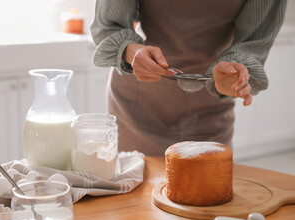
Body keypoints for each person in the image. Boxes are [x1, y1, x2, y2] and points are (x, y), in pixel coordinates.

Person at [90, 0, 286, 156]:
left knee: (209, 196)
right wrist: (131, 51)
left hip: (209, 111)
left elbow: (253, 43)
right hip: (135, 109)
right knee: (133, 203)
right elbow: (107, 26)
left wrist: (234, 77)